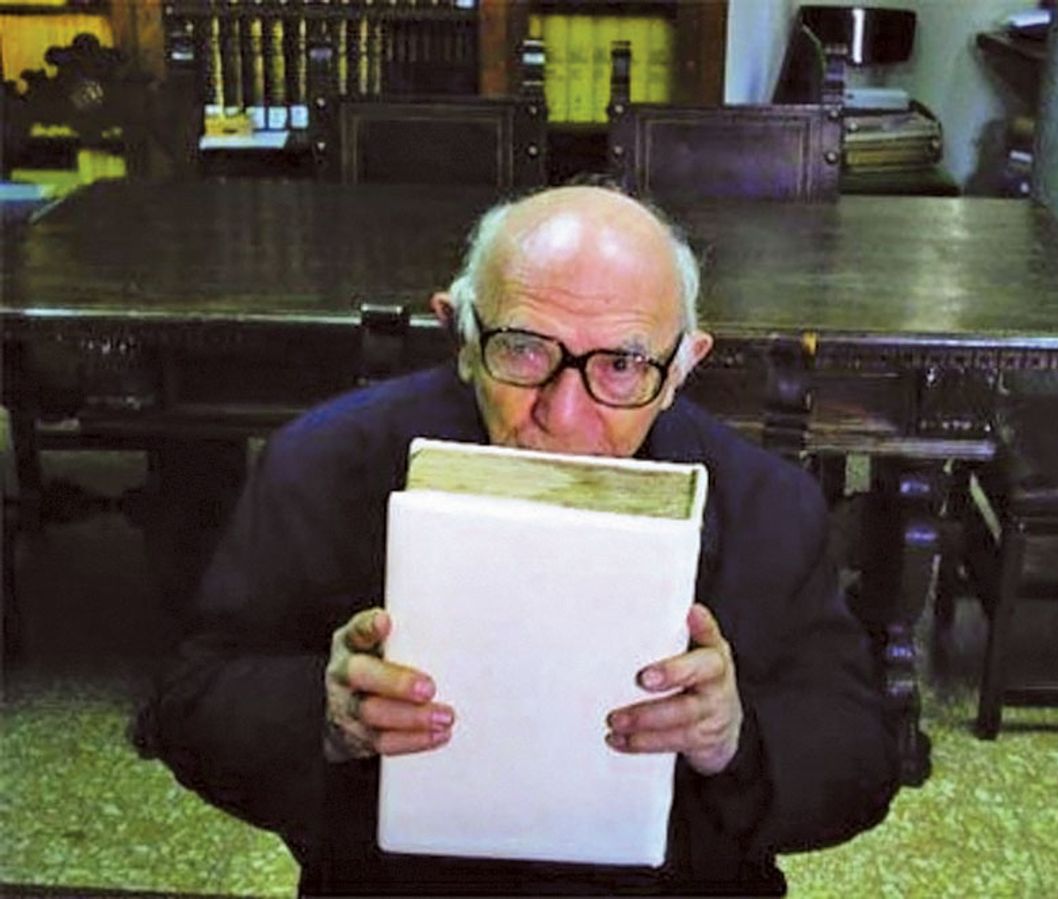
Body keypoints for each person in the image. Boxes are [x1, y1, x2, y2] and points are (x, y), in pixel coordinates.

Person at [136, 185, 898, 896]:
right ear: (462, 332)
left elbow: (863, 759)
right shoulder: (323, 462)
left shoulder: (768, 500)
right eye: (525, 348)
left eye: (624, 364)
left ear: (682, 367)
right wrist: (326, 714)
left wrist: (736, 738)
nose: (563, 416)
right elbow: (189, 705)